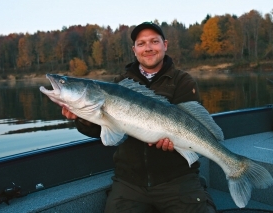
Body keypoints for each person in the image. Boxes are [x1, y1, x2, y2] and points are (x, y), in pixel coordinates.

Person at [62, 22, 217, 213]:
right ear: (134, 50)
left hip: (177, 178)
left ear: (165, 45)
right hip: (129, 181)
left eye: (154, 41)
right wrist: (81, 117)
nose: (148, 48)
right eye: (141, 43)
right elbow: (99, 129)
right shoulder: (120, 84)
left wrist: (175, 142)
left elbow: (193, 122)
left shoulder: (182, 81)